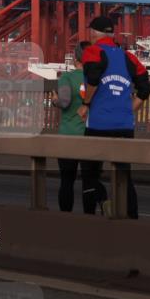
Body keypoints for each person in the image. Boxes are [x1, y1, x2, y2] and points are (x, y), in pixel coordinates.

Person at [79, 15, 150, 219]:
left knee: (90, 176)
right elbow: (145, 88)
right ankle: (132, 218)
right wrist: (129, 109)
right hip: (125, 127)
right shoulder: (129, 57)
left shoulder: (92, 51)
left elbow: (92, 79)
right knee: (124, 176)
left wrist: (86, 104)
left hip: (98, 126)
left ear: (93, 33)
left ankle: (90, 218)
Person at [53, 41, 91, 213]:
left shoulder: (66, 78)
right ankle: (90, 217)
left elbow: (65, 102)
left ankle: (66, 219)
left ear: (75, 58)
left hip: (68, 135)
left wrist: (55, 101)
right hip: (89, 136)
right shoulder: (94, 79)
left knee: (67, 181)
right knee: (89, 181)